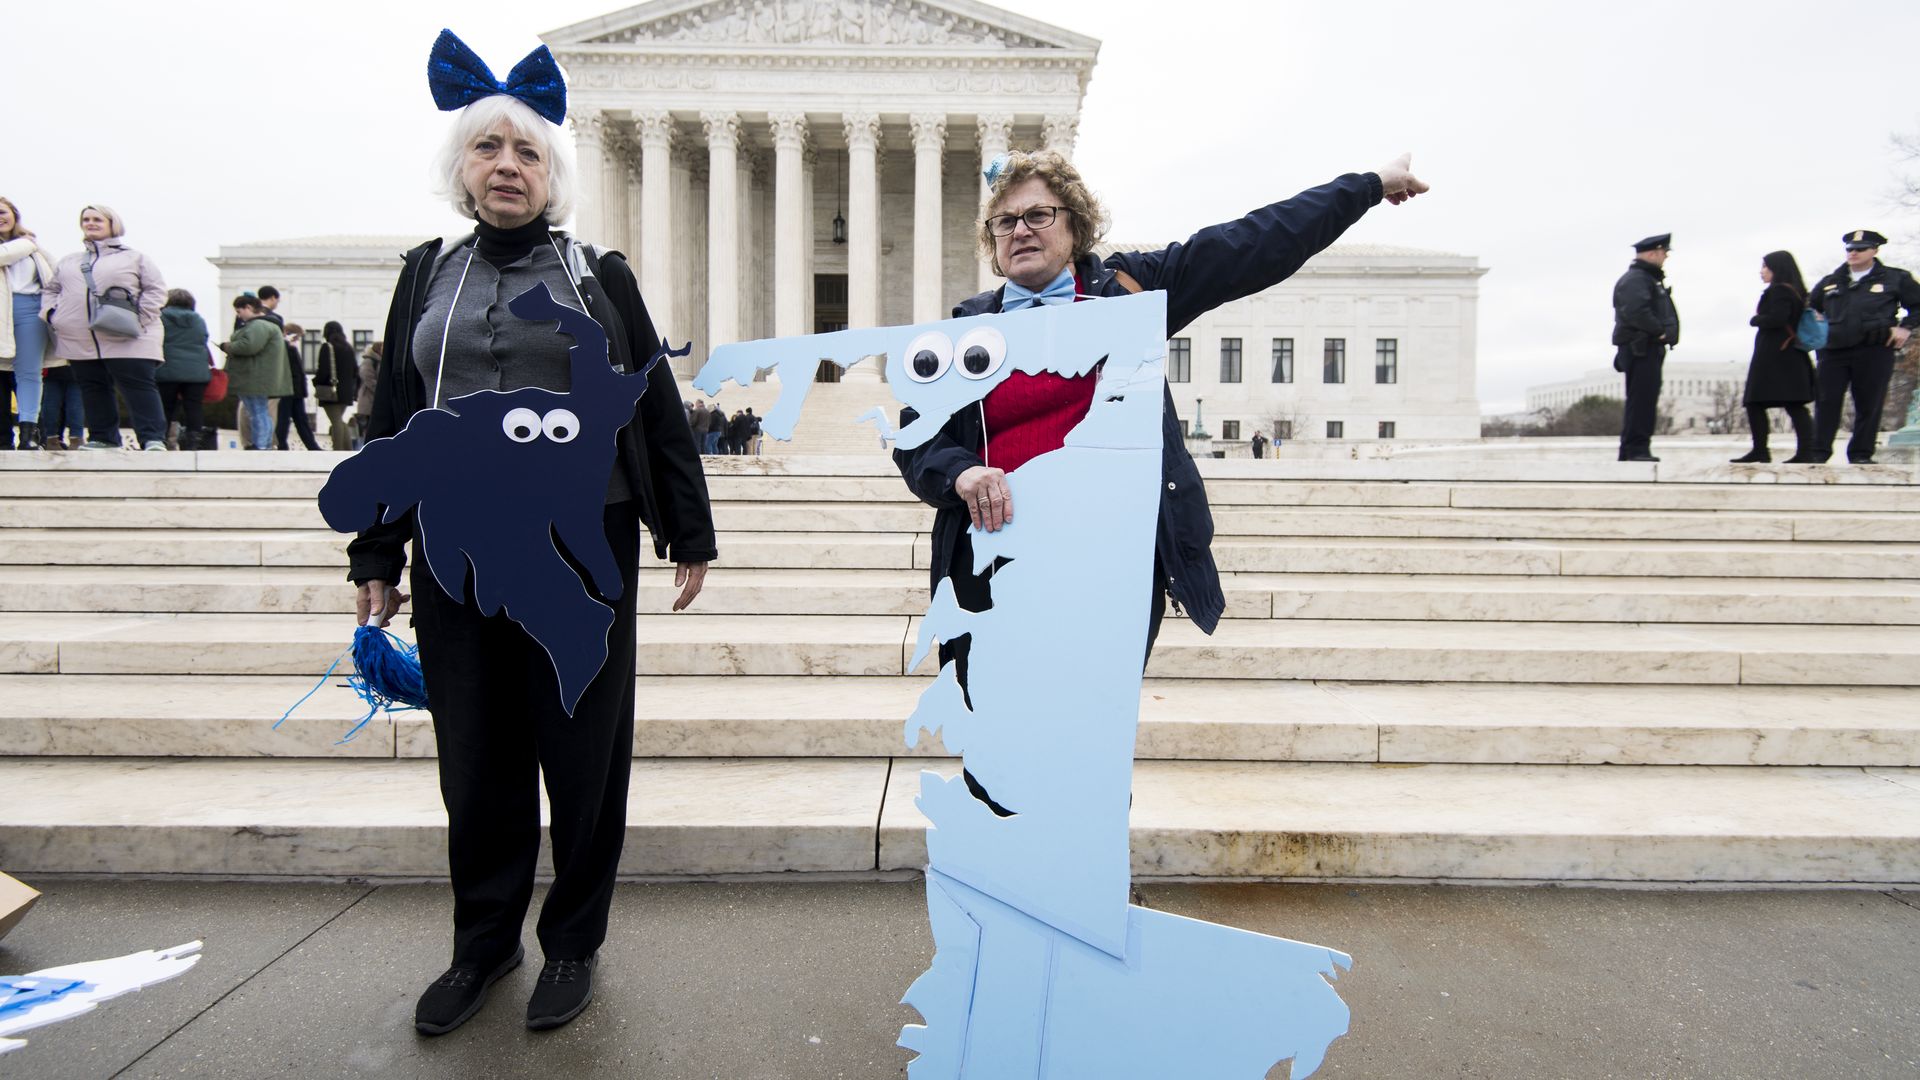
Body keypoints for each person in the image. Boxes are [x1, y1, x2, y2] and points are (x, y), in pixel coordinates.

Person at [349, 33, 715, 1037]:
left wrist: (688, 529)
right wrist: (375, 552)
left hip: (581, 542)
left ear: (553, 176)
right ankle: (483, 943)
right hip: (454, 542)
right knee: (475, 754)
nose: (507, 165)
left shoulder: (598, 274)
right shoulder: (426, 274)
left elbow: (654, 405)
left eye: (528, 151)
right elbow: (394, 417)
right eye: (488, 148)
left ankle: (573, 943)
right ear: (460, 167)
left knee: (582, 751)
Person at [895, 148, 1426, 813]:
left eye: (1038, 215)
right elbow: (916, 437)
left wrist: (1368, 186)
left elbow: (1253, 242)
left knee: (1088, 739)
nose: (1020, 231)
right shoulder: (965, 331)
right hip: (992, 570)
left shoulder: (1129, 293)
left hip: (1106, 570)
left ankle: (1082, 872)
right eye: (1005, 222)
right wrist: (960, 471)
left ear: (1075, 224)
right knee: (997, 741)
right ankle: (995, 875)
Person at [41, 205, 170, 450]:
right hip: (80, 337)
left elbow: (156, 290)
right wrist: (53, 315)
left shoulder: (135, 258)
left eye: (97, 219)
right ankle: (103, 438)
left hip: (130, 336)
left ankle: (153, 438)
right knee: (92, 388)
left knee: (138, 387)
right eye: (86, 219)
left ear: (113, 224)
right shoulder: (68, 261)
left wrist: (141, 318)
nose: (90, 223)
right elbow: (51, 290)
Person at [1807, 230, 1920, 465]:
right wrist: (1815, 319)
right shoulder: (1831, 281)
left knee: (1869, 402)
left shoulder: (1894, 278)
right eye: (1850, 249)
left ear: (1874, 251)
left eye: (1860, 249)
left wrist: (1905, 327)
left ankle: (1861, 453)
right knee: (1827, 401)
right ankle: (1818, 452)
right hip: (1833, 350)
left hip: (1874, 348)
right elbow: (1810, 306)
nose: (1854, 253)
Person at [1732, 252, 1817, 464]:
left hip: (1777, 355)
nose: (1761, 271)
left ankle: (1762, 450)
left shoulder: (1780, 290)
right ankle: (1805, 451)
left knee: (1756, 402)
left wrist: (1756, 319)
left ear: (1777, 269)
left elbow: (1778, 318)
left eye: (1765, 267)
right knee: (1793, 404)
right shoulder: (1795, 290)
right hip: (1789, 354)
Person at [1610, 233, 1679, 462]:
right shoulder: (1637, 279)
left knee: (1643, 399)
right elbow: (1636, 311)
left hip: (1645, 346)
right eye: (1664, 252)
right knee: (1642, 400)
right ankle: (1636, 449)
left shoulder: (1646, 278)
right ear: (1652, 253)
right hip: (1641, 347)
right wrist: (1659, 331)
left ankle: (1633, 449)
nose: (1666, 257)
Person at [1, 197, 55, 450]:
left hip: (31, 308)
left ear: (14, 215)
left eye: (3, 212)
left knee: (29, 372)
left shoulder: (36, 249)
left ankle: (29, 434)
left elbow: (55, 273)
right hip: (3, 308)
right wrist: (26, 243)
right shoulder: (27, 244)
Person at [221, 294, 292, 449]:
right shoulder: (268, 325)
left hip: (254, 378)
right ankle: (264, 444)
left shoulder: (258, 326)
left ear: (249, 307)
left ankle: (261, 445)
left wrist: (227, 346)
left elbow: (249, 346)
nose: (239, 316)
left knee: (258, 412)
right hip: (261, 377)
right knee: (260, 412)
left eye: (239, 311)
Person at [156, 290, 213, 450]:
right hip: (196, 371)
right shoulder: (198, 319)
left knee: (165, 407)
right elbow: (204, 339)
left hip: (167, 369)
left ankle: (161, 440)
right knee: (194, 407)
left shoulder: (161, 318)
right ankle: (193, 442)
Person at [274, 322, 321, 450]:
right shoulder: (287, 348)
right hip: (289, 389)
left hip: (294, 390)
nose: (298, 340)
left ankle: (312, 446)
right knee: (286, 419)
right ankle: (282, 444)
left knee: (299, 420)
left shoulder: (290, 348)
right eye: (297, 337)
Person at [313, 321, 359, 449]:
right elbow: (355, 371)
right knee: (339, 420)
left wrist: (315, 382)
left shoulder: (327, 347)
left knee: (336, 421)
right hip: (346, 392)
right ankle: (347, 450)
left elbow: (323, 371)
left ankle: (338, 450)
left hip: (331, 391)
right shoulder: (348, 348)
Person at [353, 342, 380, 448]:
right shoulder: (369, 361)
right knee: (366, 428)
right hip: (367, 400)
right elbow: (367, 377)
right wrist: (378, 389)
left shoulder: (378, 360)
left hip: (373, 400)